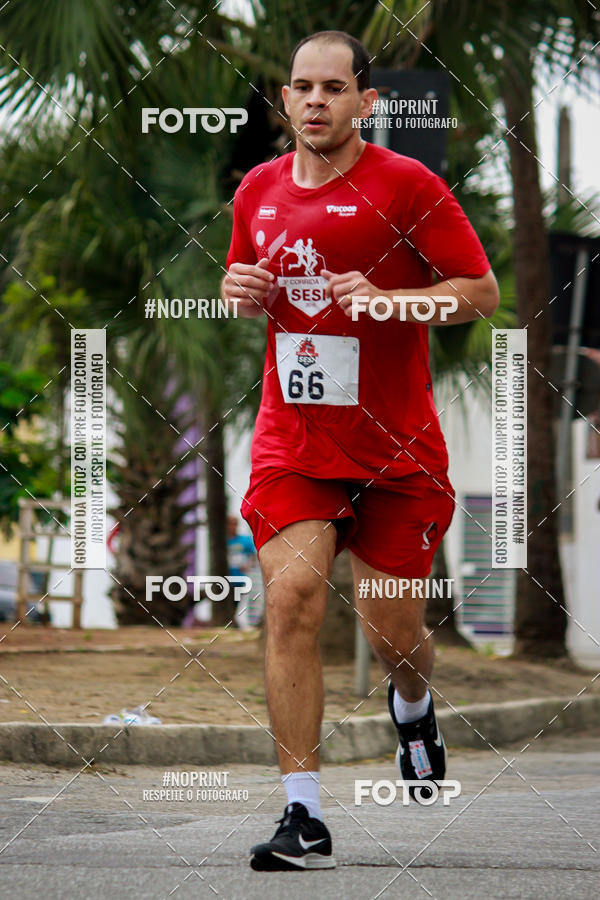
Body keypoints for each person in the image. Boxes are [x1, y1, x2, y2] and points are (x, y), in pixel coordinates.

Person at [222, 30, 499, 871]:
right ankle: (303, 816)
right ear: (286, 100)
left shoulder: (406, 184)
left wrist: (389, 302)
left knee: (395, 635)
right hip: (296, 444)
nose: (316, 100)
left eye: (334, 87)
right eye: (303, 87)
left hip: (395, 451)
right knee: (292, 598)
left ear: (366, 101)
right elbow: (246, 286)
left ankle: (411, 706)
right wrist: (238, 291)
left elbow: (479, 293)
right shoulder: (257, 190)